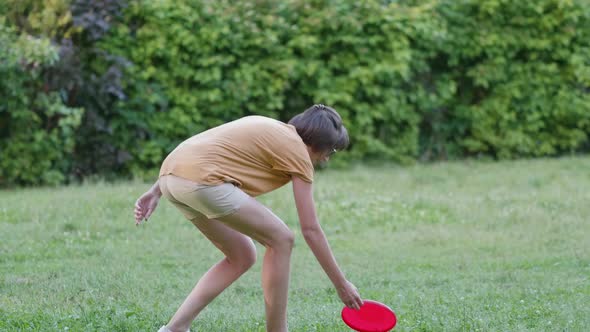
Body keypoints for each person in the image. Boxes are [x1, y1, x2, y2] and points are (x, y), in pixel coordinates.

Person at [133, 104, 363, 332]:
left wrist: (157, 190)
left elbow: (202, 148)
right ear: (319, 144)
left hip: (171, 178)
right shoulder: (298, 152)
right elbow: (310, 229)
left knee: (242, 255)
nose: (326, 159)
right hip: (203, 182)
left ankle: (175, 328)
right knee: (282, 239)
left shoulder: (269, 125)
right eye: (330, 151)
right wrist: (342, 285)